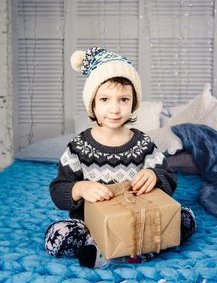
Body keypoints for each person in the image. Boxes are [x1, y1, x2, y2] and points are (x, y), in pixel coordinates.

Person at [45, 47, 196, 268]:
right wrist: (80, 189)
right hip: (90, 223)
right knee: (56, 235)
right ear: (92, 104)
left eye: (123, 99)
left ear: (133, 103)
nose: (114, 109)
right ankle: (111, 247)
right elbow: (58, 189)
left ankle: (123, 249)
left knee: (184, 217)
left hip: (139, 219)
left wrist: (154, 175)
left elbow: (169, 178)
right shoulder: (79, 147)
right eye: (105, 99)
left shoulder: (143, 143)